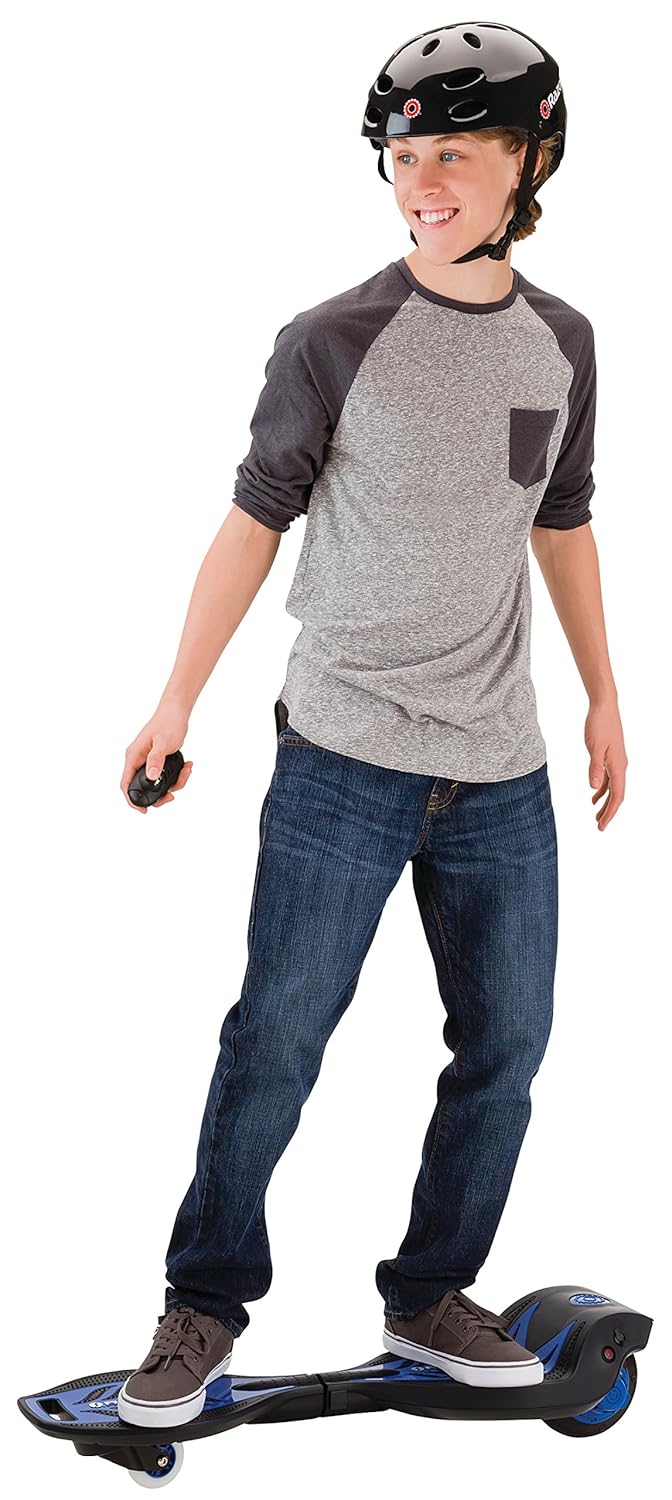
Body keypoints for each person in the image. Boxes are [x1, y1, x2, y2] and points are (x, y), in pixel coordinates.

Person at [117, 22, 627, 1428]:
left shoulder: (564, 343)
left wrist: (604, 693)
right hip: (344, 752)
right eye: (404, 157)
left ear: (530, 161)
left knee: (506, 1051)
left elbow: (562, 522)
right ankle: (204, 1302)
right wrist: (175, 697)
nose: (423, 182)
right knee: (276, 1041)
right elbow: (252, 523)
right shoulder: (333, 339)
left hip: (502, 768)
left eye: (454, 153)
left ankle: (432, 1293)